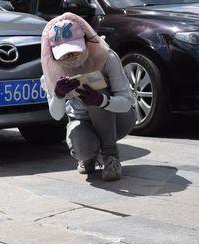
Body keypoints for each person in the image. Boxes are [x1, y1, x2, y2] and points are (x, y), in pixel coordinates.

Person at [40, 13, 135, 181]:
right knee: (83, 148)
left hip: (117, 119)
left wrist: (101, 100)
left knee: (98, 94)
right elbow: (56, 115)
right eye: (64, 54)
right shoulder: (51, 73)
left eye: (75, 51)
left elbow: (126, 103)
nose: (70, 59)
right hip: (81, 120)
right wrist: (59, 95)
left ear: (85, 41)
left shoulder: (107, 57)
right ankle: (88, 156)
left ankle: (111, 157)